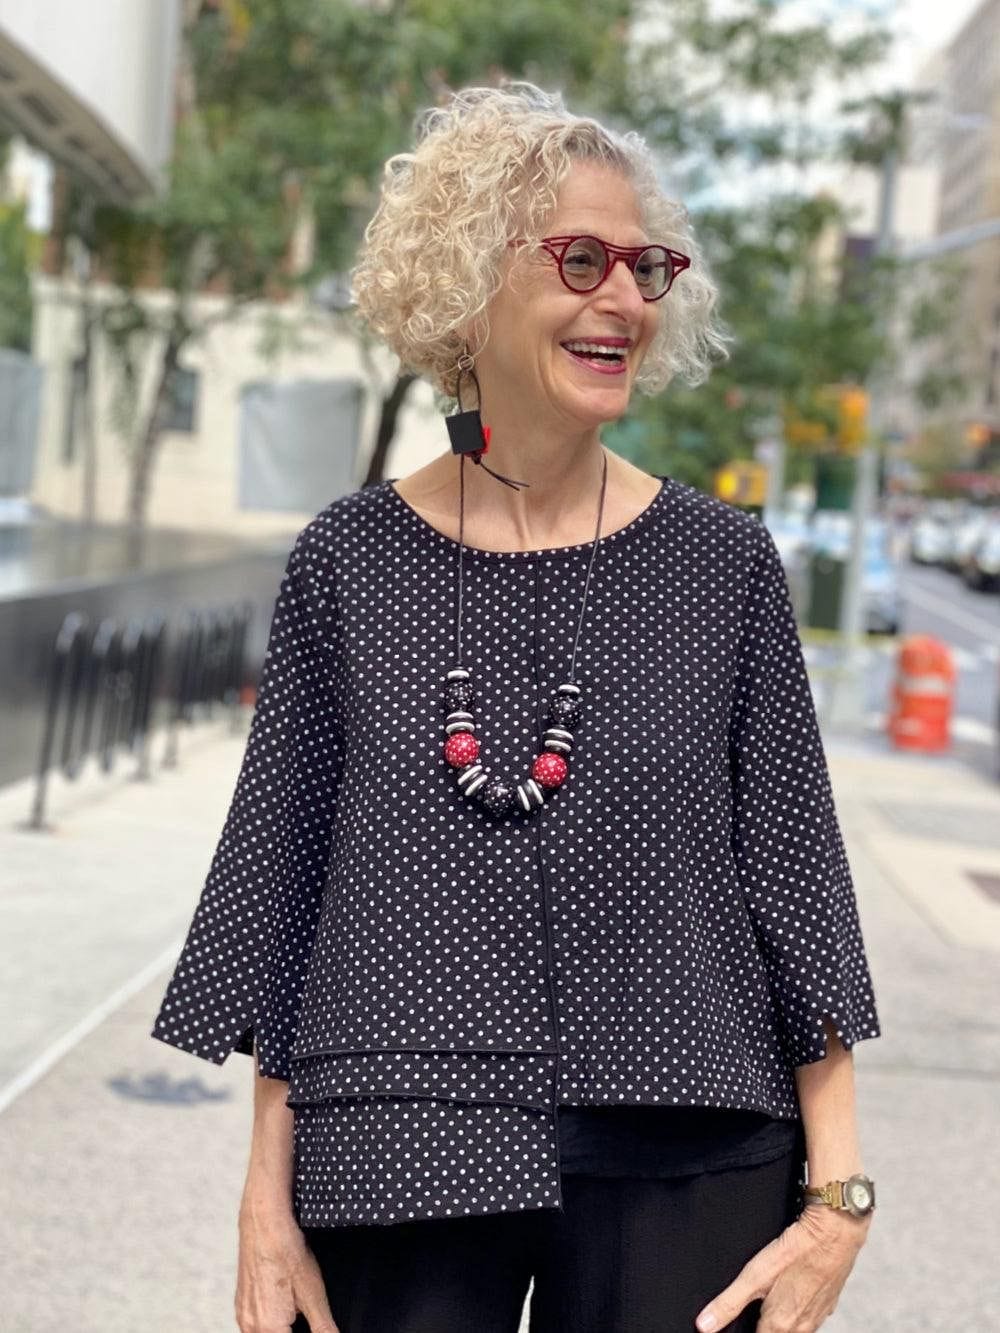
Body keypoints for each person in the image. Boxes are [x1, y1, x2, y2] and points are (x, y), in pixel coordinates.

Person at [151, 82, 881, 1333]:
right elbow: (287, 892)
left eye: (647, 268)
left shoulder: (723, 565)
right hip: (398, 1137)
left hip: (688, 1143)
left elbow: (796, 881)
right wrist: (262, 1207)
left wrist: (840, 1200)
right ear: (462, 284)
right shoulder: (348, 562)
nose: (624, 300)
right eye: (580, 259)